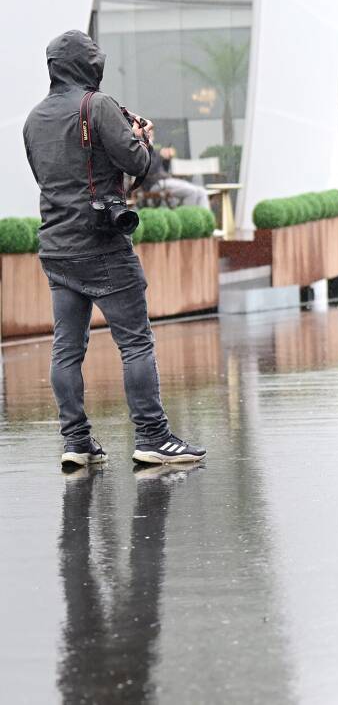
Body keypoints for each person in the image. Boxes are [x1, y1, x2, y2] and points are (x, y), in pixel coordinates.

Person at [23, 30, 206, 467]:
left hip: (56, 247)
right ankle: (152, 436)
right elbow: (137, 163)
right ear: (91, 66)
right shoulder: (99, 105)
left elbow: (49, 177)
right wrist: (140, 137)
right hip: (102, 246)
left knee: (66, 349)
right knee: (136, 343)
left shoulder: (33, 119)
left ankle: (77, 443)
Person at [145, 144, 209, 208]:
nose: (150, 137)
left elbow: (164, 170)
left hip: (167, 182)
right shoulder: (143, 153)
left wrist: (167, 159)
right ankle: (188, 216)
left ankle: (206, 217)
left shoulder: (154, 153)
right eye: (148, 134)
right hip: (157, 185)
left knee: (202, 191)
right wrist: (160, 155)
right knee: (192, 191)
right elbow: (148, 171)